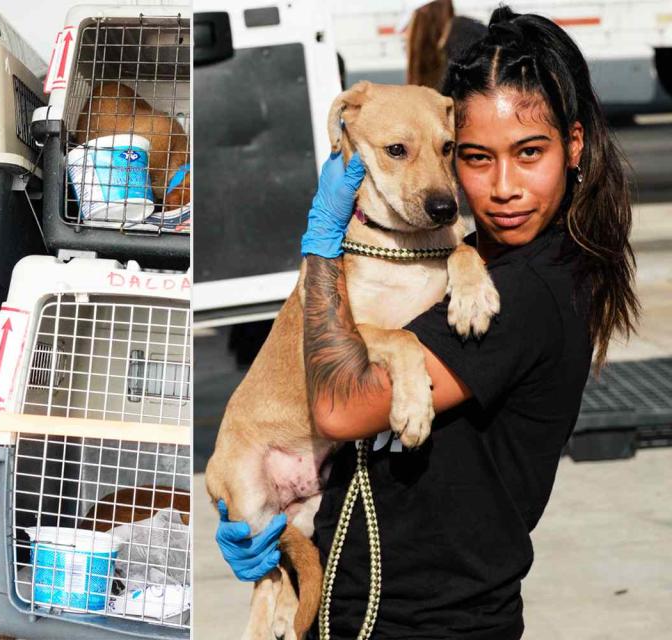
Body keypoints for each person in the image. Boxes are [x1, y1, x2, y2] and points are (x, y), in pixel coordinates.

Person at [215, 7, 638, 639]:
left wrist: (322, 246)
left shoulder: (529, 292)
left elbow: (338, 407)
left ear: (573, 147)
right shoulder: (483, 254)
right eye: (473, 157)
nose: (503, 188)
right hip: (352, 597)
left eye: (529, 154)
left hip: (429, 619)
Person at [402, 0, 488, 90]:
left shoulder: (467, 38)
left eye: (410, 24)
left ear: (424, 9)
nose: (406, 33)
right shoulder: (457, 37)